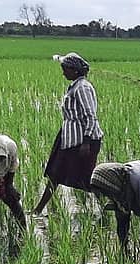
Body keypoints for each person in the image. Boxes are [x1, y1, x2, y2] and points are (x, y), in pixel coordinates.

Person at [33, 52, 103, 214]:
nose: (63, 72)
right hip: (70, 138)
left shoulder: (83, 88)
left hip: (82, 141)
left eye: (65, 69)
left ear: (75, 70)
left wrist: (86, 142)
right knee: (55, 174)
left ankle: (110, 204)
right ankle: (38, 210)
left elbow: (90, 115)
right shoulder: (75, 86)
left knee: (86, 179)